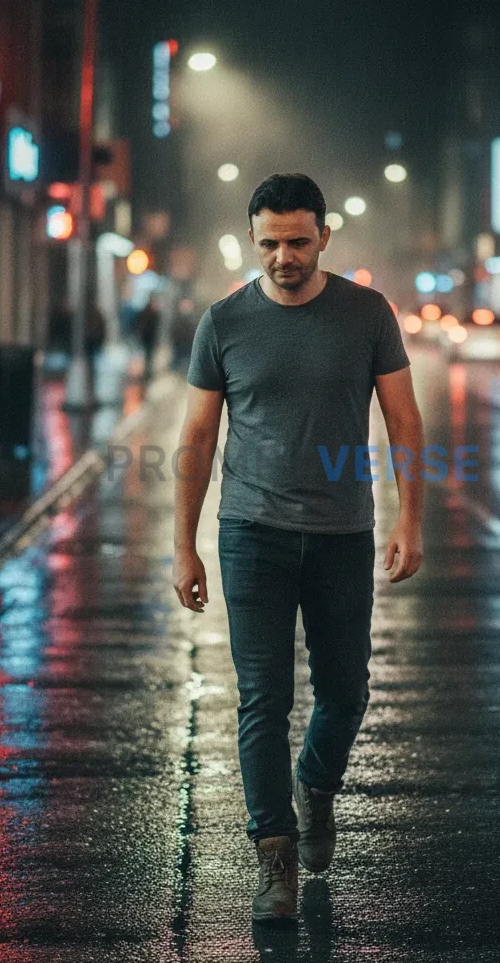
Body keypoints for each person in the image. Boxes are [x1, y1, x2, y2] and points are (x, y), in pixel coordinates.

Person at [172, 173, 425, 922]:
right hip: (251, 534)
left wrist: (412, 519)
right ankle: (274, 857)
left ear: (324, 236)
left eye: (298, 241)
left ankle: (317, 785)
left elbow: (404, 420)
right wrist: (182, 545)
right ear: (254, 239)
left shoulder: (366, 313)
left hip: (345, 532)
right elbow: (195, 437)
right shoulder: (224, 323)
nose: (284, 256)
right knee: (263, 699)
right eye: (271, 243)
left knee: (346, 689)